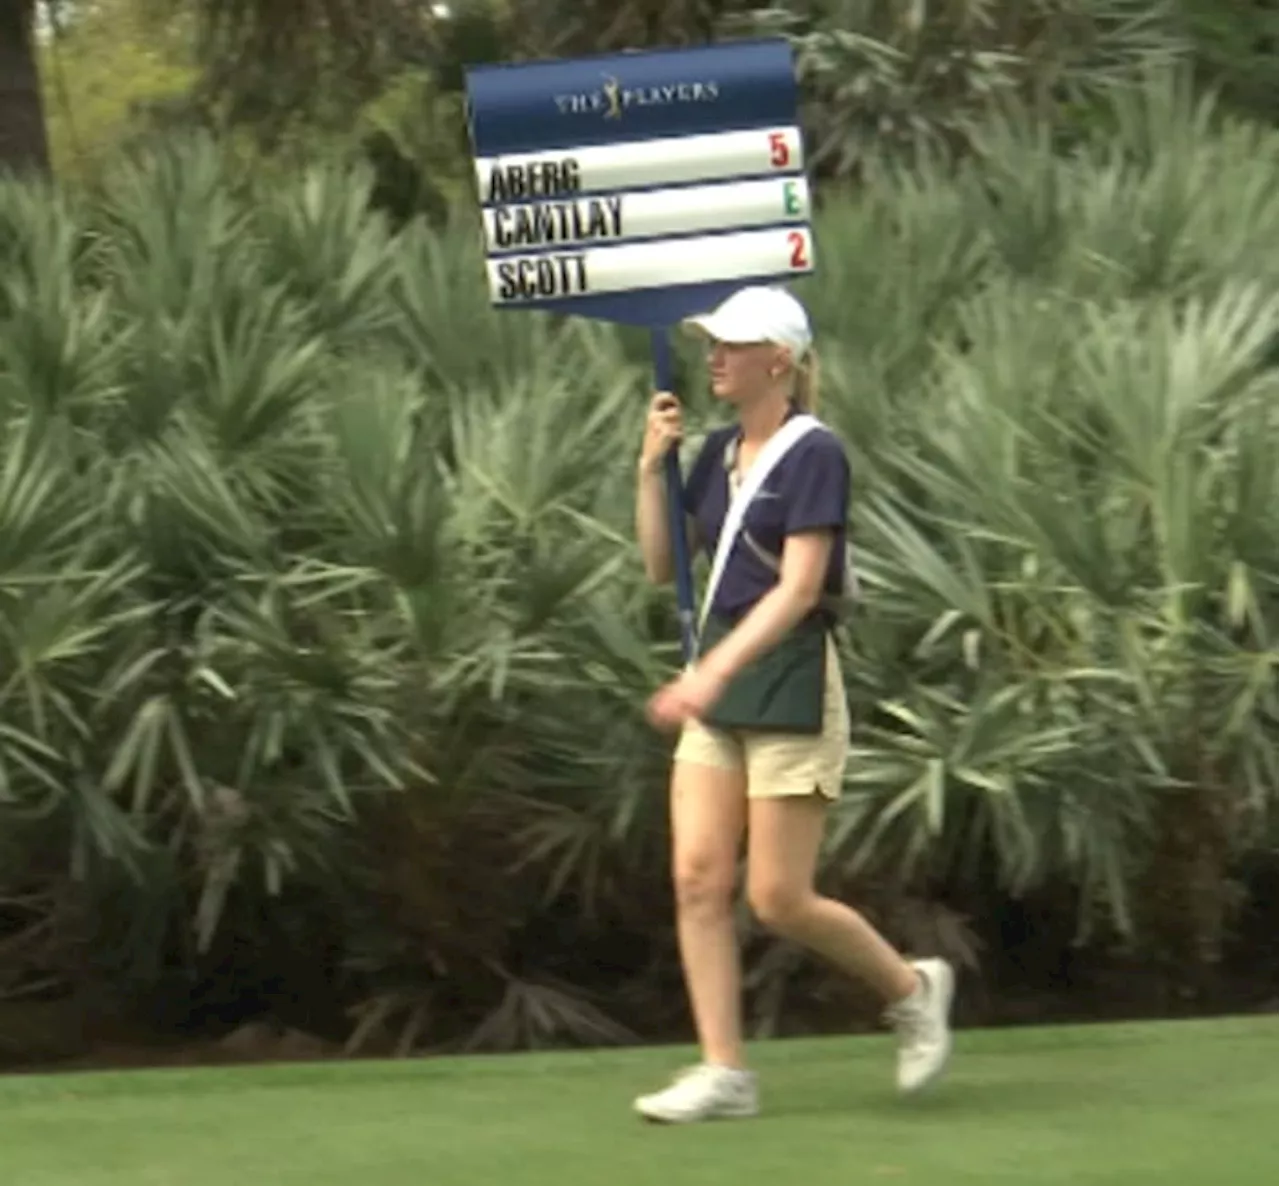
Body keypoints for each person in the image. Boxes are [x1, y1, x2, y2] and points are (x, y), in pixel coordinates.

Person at [632, 284, 955, 1124]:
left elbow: (800, 588)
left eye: (732, 346)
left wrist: (712, 669)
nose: (714, 358)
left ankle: (912, 989)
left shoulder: (816, 453)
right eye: (711, 344)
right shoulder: (711, 455)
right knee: (697, 878)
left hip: (792, 676)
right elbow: (665, 567)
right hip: (722, 681)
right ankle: (723, 1072)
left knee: (777, 897)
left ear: (777, 358)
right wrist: (648, 471)